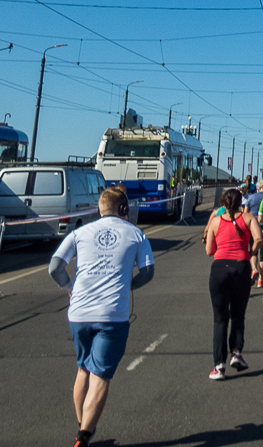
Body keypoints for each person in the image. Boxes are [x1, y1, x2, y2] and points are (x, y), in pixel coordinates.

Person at [49, 187, 154, 447]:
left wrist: (68, 287)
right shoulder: (136, 234)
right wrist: (129, 285)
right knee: (101, 375)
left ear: (99, 209)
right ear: (124, 210)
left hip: (79, 313)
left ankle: (84, 425)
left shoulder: (80, 232)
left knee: (83, 368)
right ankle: (83, 436)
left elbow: (55, 267)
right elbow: (148, 271)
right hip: (111, 315)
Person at [203, 188, 263, 380]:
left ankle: (219, 365)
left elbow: (209, 251)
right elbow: (259, 239)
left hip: (220, 269)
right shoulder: (247, 218)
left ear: (223, 201)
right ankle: (236, 352)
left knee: (220, 319)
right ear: (240, 202)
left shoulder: (215, 221)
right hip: (241, 268)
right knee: (238, 314)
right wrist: (250, 252)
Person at [245, 179, 263, 287]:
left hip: (253, 227)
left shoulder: (251, 197)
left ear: (258, 187)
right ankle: (261, 279)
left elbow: (245, 213)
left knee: (253, 250)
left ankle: (254, 269)